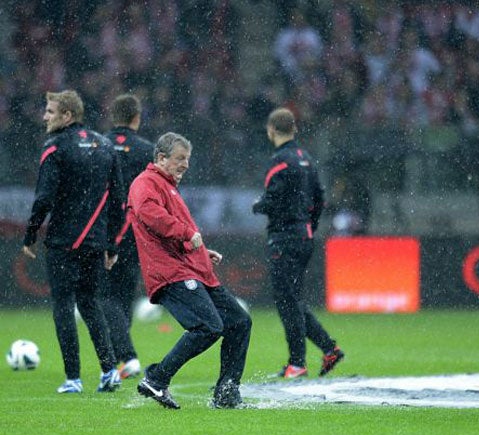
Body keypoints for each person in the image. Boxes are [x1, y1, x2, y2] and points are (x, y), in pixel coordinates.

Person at [128, 132, 252, 409]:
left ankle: (226, 393)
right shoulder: (145, 183)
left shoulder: (166, 185)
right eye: (180, 158)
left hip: (191, 267)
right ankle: (157, 379)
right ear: (161, 158)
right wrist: (185, 233)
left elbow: (166, 228)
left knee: (239, 322)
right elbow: (150, 214)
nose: (185, 164)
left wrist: (199, 251)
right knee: (207, 326)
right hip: (170, 272)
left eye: (188, 159)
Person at [22, 90, 125, 394]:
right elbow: (119, 199)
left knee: (63, 306)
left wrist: (30, 234)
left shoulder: (54, 147)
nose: (45, 116)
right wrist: (112, 244)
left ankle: (73, 378)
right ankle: (109, 371)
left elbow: (44, 198)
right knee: (91, 304)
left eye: (50, 111)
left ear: (67, 115)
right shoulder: (106, 146)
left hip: (63, 241)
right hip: (94, 242)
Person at [252, 107, 344, 379]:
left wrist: (258, 206)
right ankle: (329, 348)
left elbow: (274, 199)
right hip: (304, 236)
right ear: (294, 129)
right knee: (293, 299)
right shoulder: (306, 159)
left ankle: (297, 363)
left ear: (270, 130)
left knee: (287, 301)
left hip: (285, 238)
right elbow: (320, 198)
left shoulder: (280, 161)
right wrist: (310, 226)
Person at [99, 94, 153, 380]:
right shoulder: (147, 150)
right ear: (137, 118)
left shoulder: (99, 144)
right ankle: (122, 355)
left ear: (112, 116)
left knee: (104, 294)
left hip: (102, 229)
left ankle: (126, 355)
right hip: (136, 231)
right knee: (123, 293)